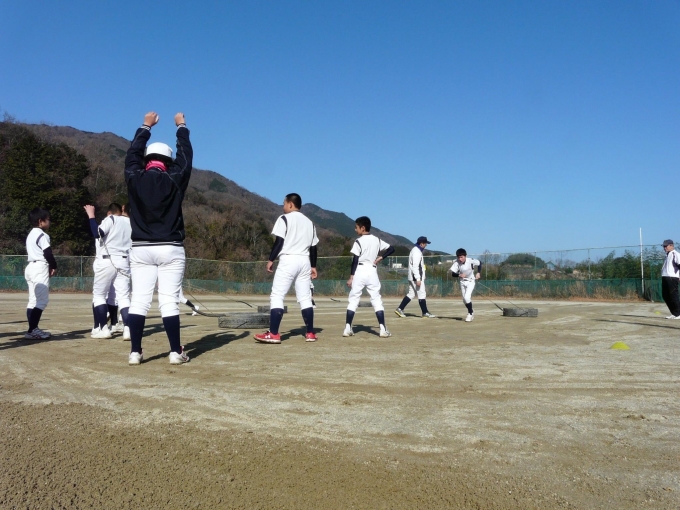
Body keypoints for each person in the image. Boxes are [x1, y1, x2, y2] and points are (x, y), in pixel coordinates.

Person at [124, 111, 193, 365]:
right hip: (170, 247)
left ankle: (135, 352)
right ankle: (175, 352)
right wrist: (181, 127)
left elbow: (132, 155)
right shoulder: (174, 179)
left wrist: (145, 126)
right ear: (168, 161)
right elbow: (185, 158)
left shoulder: (134, 178)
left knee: (139, 301)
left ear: (147, 160)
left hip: (141, 247)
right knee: (168, 301)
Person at [254, 193, 319, 344]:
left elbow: (279, 242)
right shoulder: (310, 223)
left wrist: (271, 259)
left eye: (284, 203)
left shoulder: (284, 219)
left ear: (290, 204)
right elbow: (314, 247)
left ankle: (274, 334)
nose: (283, 206)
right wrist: (313, 266)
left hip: (288, 260)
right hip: (304, 261)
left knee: (277, 295)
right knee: (305, 298)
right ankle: (310, 333)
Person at [84, 203, 131, 339]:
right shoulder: (130, 222)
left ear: (110, 212)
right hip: (124, 261)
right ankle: (127, 329)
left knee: (99, 295)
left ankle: (103, 329)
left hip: (107, 260)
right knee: (123, 297)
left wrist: (91, 216)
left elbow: (97, 233)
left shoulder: (111, 219)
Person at [343, 216, 395, 338]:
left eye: (356, 227)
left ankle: (347, 328)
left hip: (360, 270)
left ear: (362, 228)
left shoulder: (358, 241)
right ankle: (383, 329)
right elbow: (391, 249)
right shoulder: (377, 240)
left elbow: (355, 260)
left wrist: (351, 277)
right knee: (376, 299)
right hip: (372, 270)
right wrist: (381, 257)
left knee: (354, 299)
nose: (355, 229)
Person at [24, 208, 57, 339]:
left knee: (33, 301)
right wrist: (53, 266)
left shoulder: (30, 234)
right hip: (39, 267)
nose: (49, 222)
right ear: (40, 221)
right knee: (42, 301)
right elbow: (47, 252)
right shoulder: (42, 235)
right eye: (47, 219)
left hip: (30, 267)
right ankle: (32, 330)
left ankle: (33, 330)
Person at [395, 236, 435, 318]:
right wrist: (418, 279)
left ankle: (400, 309)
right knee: (422, 293)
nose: (426, 245)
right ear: (421, 244)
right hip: (415, 277)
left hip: (413, 277)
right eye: (425, 243)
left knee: (411, 294)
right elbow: (415, 266)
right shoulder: (417, 252)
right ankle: (425, 312)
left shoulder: (415, 250)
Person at [450, 248, 481, 322]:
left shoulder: (471, 261)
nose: (460, 259)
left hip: (470, 281)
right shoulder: (456, 263)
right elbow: (453, 274)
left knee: (467, 297)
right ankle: (471, 310)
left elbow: (480, 263)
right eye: (458, 257)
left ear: (465, 256)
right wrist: (459, 275)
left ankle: (470, 313)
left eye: (461, 257)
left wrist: (478, 273)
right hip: (462, 282)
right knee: (464, 300)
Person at [661, 239, 680, 319]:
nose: (664, 248)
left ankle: (678, 313)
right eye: (664, 246)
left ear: (671, 246)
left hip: (672, 277)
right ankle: (674, 313)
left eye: (666, 246)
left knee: (673, 295)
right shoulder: (667, 255)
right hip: (665, 276)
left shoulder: (676, 254)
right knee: (665, 295)